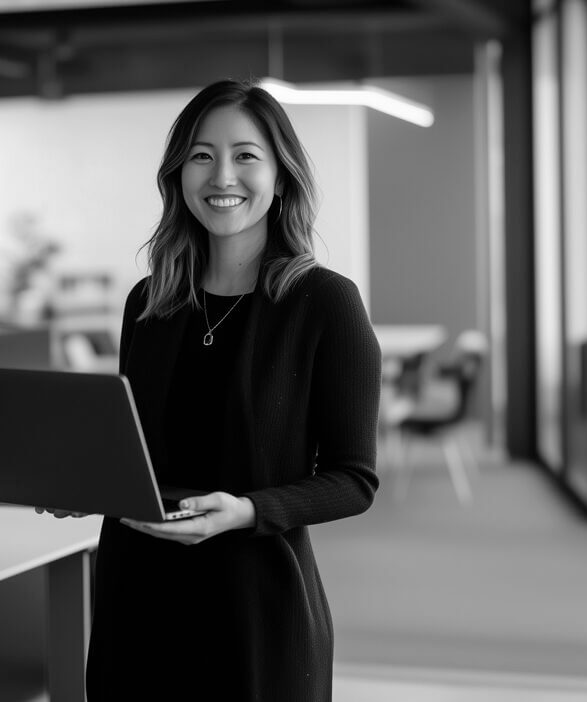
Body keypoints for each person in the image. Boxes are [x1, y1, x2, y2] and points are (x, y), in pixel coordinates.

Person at [40, 78, 381, 701]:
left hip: (253, 604)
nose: (222, 175)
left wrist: (246, 511)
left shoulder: (325, 303)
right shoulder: (150, 301)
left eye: (246, 155)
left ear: (282, 176)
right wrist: (87, 483)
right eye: (202, 155)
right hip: (136, 599)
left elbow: (353, 479)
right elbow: (142, 449)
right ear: (179, 175)